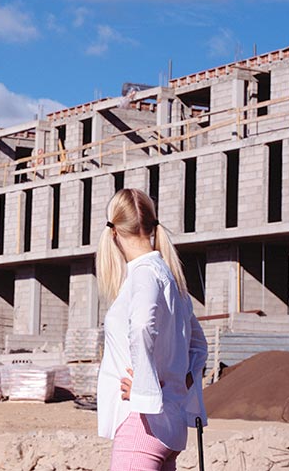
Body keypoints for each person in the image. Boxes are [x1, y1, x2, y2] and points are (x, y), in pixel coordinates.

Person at [96, 188, 207, 471]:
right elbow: (198, 347)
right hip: (167, 426)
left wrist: (146, 388)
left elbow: (143, 324)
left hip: (141, 425)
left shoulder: (144, 274)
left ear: (113, 231)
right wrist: (176, 388)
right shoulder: (170, 277)